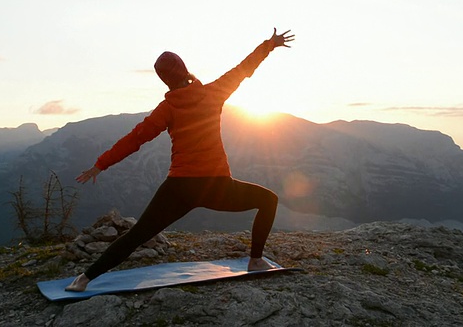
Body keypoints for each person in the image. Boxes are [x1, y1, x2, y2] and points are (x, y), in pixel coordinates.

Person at [65, 28, 295, 292]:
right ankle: (255, 259)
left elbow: (135, 139)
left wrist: (100, 165)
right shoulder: (213, 93)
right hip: (217, 186)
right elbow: (243, 68)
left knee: (138, 234)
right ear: (185, 70)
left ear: (164, 80)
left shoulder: (167, 109)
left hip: (179, 188)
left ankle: (84, 279)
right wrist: (270, 45)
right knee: (269, 200)